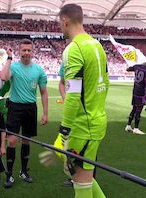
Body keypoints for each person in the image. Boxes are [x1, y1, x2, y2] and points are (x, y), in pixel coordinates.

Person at [58, 4, 109, 198]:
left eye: (60, 24)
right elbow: (106, 83)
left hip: (82, 125)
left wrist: (64, 128)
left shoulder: (73, 49)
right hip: (97, 120)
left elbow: (72, 93)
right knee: (82, 174)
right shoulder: (97, 45)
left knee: (79, 179)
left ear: (65, 20)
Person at [0, 38, 48, 188]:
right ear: (19, 51)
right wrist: (9, 58)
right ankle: (9, 174)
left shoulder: (39, 70)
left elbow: (44, 92)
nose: (26, 53)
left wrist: (45, 113)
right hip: (15, 107)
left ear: (32, 52)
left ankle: (24, 171)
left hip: (30, 108)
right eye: (23, 50)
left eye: (29, 50)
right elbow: (3, 77)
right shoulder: (13, 66)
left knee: (26, 141)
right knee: (12, 141)